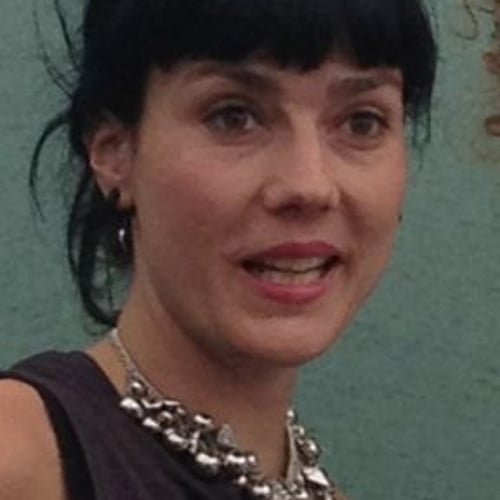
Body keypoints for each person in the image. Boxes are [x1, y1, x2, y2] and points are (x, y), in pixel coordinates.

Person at [0, 0, 437, 499]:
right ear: (114, 151)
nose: (309, 185)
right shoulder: (21, 460)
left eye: (362, 122)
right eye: (234, 117)